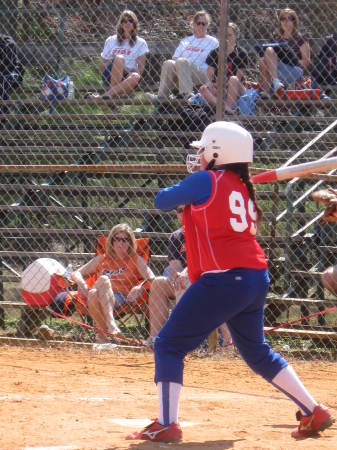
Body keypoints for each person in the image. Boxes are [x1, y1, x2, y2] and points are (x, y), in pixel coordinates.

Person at [127, 121, 335, 442]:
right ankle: (312, 410)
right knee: (256, 353)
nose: (198, 156)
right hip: (254, 278)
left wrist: (190, 190)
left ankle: (167, 424)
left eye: (203, 150)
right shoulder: (242, 187)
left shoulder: (207, 181)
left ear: (217, 152)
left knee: (168, 344)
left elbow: (161, 199)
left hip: (224, 279)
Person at [72, 224, 155, 343]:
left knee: (94, 292)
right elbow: (76, 273)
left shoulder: (135, 259)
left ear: (130, 242)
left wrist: (139, 287)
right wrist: (82, 284)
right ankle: (111, 325)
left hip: (120, 298)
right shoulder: (102, 258)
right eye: (117, 239)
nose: (121, 243)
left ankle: (102, 338)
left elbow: (152, 278)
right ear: (111, 241)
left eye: (125, 239)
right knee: (103, 282)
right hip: (98, 291)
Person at [146, 10, 218, 103]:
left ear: (207, 25)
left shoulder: (213, 42)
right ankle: (161, 97)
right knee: (168, 63)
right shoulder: (186, 41)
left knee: (182, 61)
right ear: (194, 24)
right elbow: (175, 59)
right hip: (181, 72)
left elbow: (215, 64)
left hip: (202, 74)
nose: (201, 26)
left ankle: (188, 95)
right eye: (198, 23)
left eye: (203, 23)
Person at [86, 10, 148, 99]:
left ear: (135, 23)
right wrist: (119, 66)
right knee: (119, 58)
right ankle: (114, 95)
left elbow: (140, 69)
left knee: (136, 76)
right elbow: (102, 65)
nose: (127, 23)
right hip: (110, 74)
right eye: (124, 21)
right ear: (121, 24)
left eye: (130, 20)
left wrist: (128, 71)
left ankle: (106, 97)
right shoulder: (111, 40)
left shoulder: (141, 43)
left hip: (127, 77)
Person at [259, 8, 310, 96]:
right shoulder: (275, 38)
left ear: (294, 21)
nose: (285, 21)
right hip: (275, 70)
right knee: (263, 59)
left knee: (267, 55)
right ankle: (269, 89)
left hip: (293, 70)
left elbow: (306, 63)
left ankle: (272, 86)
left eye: (289, 18)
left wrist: (290, 59)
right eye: (283, 19)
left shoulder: (301, 39)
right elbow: (268, 57)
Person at [199, 22, 248, 113]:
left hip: (236, 87)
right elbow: (209, 78)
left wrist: (222, 85)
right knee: (203, 88)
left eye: (229, 35)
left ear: (236, 36)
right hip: (218, 87)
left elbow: (238, 77)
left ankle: (228, 108)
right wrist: (213, 84)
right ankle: (227, 110)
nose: (226, 38)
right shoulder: (214, 53)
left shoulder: (241, 53)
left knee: (233, 79)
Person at [0, 34, 24, 112]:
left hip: (12, 72)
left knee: (4, 79)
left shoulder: (8, 42)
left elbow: (9, 64)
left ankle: (3, 112)